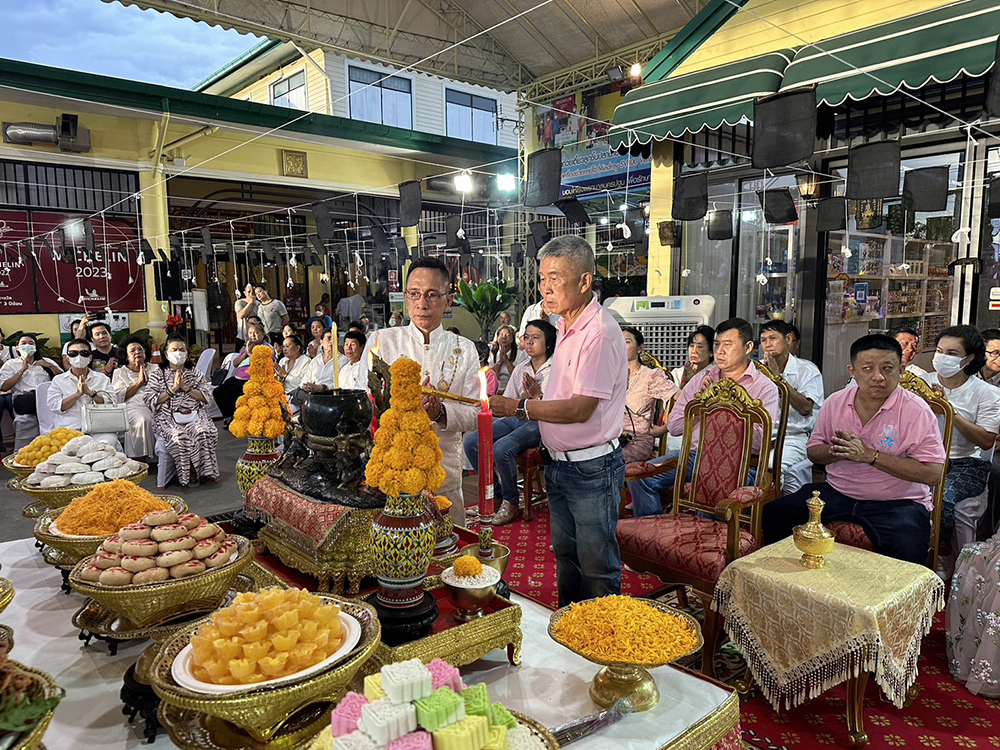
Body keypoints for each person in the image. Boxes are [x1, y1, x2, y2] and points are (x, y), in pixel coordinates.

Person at [489, 236, 628, 606]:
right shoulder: (565, 325)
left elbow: (581, 409)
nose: (545, 288)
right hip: (558, 464)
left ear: (584, 281)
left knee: (597, 566)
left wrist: (519, 407)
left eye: (555, 278)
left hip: (591, 467)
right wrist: (538, 398)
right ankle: (570, 626)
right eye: (541, 279)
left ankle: (601, 635)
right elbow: (565, 394)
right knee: (567, 557)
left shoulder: (598, 331)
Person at [763, 334, 946, 565]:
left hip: (897, 502)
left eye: (887, 368)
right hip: (838, 492)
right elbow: (813, 451)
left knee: (907, 547)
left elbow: (932, 474)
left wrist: (870, 456)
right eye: (867, 368)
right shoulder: (835, 402)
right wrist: (837, 450)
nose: (878, 377)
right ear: (853, 371)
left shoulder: (917, 410)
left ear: (901, 370)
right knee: (775, 513)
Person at [356, 257, 479, 526]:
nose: (422, 304)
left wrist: (440, 411)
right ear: (405, 297)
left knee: (448, 538)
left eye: (432, 295)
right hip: (393, 467)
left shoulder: (464, 349)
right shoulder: (382, 342)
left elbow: (475, 413)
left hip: (444, 468)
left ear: (448, 300)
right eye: (414, 294)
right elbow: (362, 401)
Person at [627, 318, 781, 518]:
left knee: (709, 492)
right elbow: (674, 426)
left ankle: (705, 535)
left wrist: (722, 408)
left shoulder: (764, 386)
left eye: (728, 344)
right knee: (640, 478)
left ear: (748, 347)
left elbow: (760, 444)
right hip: (694, 456)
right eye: (716, 344)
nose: (720, 351)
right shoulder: (703, 378)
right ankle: (653, 529)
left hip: (740, 464)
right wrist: (699, 406)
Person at [465, 319, 556, 526]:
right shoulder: (521, 367)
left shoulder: (556, 370)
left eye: (535, 338)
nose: (529, 342)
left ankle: (511, 501)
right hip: (515, 418)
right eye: (527, 337)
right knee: (471, 442)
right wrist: (492, 402)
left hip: (538, 423)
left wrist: (536, 396)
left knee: (502, 448)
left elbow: (554, 409)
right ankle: (495, 495)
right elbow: (508, 401)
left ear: (548, 343)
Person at [922, 326, 1000, 558]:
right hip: (922, 458)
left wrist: (949, 410)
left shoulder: (986, 393)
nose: (942, 358)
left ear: (969, 359)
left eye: (952, 353)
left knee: (940, 498)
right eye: (939, 351)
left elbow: (986, 441)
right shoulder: (921, 383)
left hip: (964, 464)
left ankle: (940, 552)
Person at [759, 319, 826, 491]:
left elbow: (805, 408)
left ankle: (776, 506)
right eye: (764, 340)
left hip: (793, 437)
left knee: (771, 468)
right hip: (761, 436)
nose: (768, 344)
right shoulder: (757, 369)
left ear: (788, 339)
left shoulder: (807, 370)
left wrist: (778, 379)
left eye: (773, 338)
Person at [144, 335, 219, 487]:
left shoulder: (195, 373)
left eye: (181, 350)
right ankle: (187, 473)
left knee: (202, 431)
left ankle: (199, 471)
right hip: (167, 417)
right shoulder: (158, 374)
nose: (178, 353)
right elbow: (149, 399)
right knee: (180, 436)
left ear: (187, 353)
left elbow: (207, 397)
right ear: (166, 353)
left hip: (195, 414)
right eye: (174, 350)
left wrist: (186, 388)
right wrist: (173, 389)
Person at [621, 326, 679, 464]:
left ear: (640, 348)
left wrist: (666, 427)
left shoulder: (650, 376)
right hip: (609, 439)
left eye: (627, 342)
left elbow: (682, 398)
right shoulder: (610, 375)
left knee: (604, 461)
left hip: (637, 440)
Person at [46, 338, 120, 446]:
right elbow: (55, 406)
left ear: (90, 358)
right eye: (73, 353)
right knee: (70, 449)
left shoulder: (102, 379)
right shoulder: (58, 380)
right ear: (67, 358)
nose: (79, 357)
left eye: (84, 353)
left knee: (107, 443)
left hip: (99, 428)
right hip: (69, 429)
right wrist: (77, 395)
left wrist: (91, 394)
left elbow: (111, 403)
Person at [0, 334, 63, 449]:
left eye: (31, 343)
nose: (27, 346)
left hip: (46, 400)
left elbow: (63, 379)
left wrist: (50, 366)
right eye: (23, 343)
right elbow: (4, 387)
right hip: (25, 400)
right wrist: (22, 369)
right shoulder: (11, 364)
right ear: (17, 347)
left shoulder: (46, 361)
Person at [214, 320, 273, 419]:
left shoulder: (267, 348)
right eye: (250, 333)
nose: (253, 335)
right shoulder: (248, 346)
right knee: (218, 392)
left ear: (263, 335)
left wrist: (250, 354)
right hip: (239, 377)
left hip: (253, 380)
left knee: (231, 393)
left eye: (256, 333)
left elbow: (263, 365)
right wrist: (245, 352)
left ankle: (235, 417)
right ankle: (228, 416)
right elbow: (235, 363)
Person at [110, 336, 155, 461]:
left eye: (140, 349)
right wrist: (139, 382)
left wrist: (149, 382)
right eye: (132, 350)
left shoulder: (155, 369)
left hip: (155, 405)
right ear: (126, 356)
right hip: (133, 408)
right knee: (142, 419)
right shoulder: (120, 372)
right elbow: (118, 397)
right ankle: (140, 460)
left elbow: (162, 391)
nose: (137, 352)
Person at [303, 328, 350, 393]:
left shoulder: (343, 361)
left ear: (338, 341)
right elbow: (305, 380)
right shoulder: (316, 360)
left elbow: (343, 383)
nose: (331, 342)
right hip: (312, 394)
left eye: (334, 339)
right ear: (321, 342)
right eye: (329, 338)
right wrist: (306, 386)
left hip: (331, 394)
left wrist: (322, 388)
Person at [274, 334, 313, 413]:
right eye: (283, 346)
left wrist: (285, 376)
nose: (284, 349)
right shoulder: (283, 361)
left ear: (297, 348)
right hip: (281, 396)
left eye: (288, 346)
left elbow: (303, 384)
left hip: (296, 399)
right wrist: (279, 378)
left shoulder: (306, 361)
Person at [489, 325, 518, 394]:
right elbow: (491, 376)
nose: (504, 337)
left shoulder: (520, 353)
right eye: (501, 335)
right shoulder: (492, 353)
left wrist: (507, 361)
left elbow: (518, 377)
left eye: (508, 335)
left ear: (512, 339)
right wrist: (500, 362)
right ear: (497, 339)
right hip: (495, 388)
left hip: (513, 388)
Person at [234, 284, 258, 351]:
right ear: (244, 293)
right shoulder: (239, 303)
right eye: (249, 292)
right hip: (242, 336)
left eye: (253, 292)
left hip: (255, 337)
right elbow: (241, 315)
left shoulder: (258, 304)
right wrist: (250, 303)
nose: (251, 294)